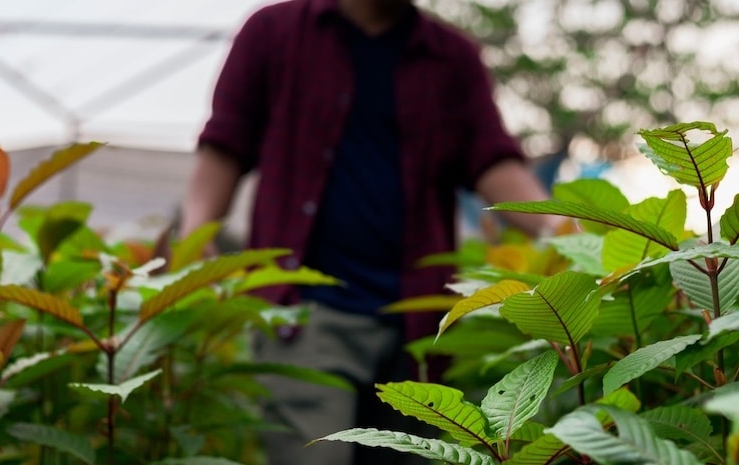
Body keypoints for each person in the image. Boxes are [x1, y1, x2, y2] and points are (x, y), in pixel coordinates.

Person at [178, 0, 562, 464]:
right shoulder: (275, 32)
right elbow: (226, 143)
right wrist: (196, 238)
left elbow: (490, 158)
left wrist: (561, 227)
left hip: (419, 328)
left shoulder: (451, 57)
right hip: (307, 317)